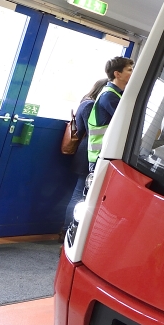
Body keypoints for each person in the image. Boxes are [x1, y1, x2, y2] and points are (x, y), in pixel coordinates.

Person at [64, 78, 107, 226]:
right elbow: (93, 132)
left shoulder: (86, 102)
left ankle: (67, 227)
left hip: (86, 150)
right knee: (79, 192)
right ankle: (67, 227)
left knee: (80, 191)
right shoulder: (90, 105)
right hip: (87, 153)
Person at [87, 56, 134, 170]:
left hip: (106, 153)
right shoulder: (109, 96)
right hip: (101, 155)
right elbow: (126, 123)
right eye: (129, 70)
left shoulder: (116, 94)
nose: (133, 72)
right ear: (117, 74)